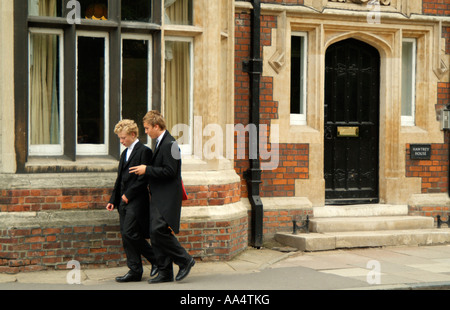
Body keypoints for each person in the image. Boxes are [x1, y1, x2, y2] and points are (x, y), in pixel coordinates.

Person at [129, 110, 195, 283]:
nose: (146, 132)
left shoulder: (171, 144)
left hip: (167, 196)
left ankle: (185, 260)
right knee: (155, 232)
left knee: (159, 230)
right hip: (159, 195)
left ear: (156, 126)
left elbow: (171, 171)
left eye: (147, 128)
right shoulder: (160, 142)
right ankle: (165, 272)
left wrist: (147, 169)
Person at [106, 119, 158, 282]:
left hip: (136, 200)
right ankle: (135, 270)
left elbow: (144, 179)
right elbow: (119, 178)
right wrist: (113, 200)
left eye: (123, 138)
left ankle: (156, 259)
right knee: (126, 235)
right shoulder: (124, 153)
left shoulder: (144, 151)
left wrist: (128, 195)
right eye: (119, 138)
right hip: (122, 201)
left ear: (133, 135)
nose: (121, 141)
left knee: (130, 232)